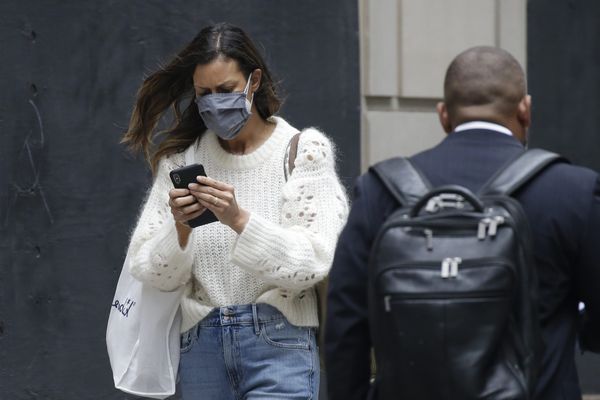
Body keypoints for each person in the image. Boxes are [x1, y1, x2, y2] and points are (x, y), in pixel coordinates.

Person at [325, 46, 600, 400]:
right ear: (525, 109)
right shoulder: (574, 191)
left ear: (443, 115)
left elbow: (345, 328)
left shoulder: (378, 191)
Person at [121, 23, 349, 400]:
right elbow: (149, 271)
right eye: (203, 94)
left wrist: (239, 220)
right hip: (201, 346)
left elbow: (313, 262)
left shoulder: (302, 151)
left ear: (253, 81)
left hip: (278, 343)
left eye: (225, 91)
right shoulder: (182, 161)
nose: (214, 102)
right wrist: (179, 228)